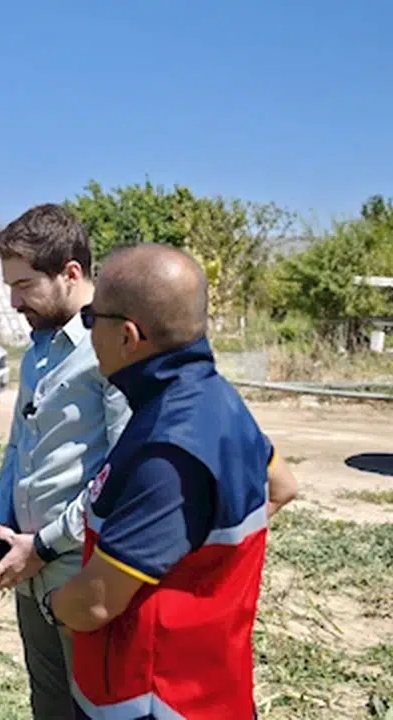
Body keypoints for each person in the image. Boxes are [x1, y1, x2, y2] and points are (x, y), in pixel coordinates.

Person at [42, 243, 299, 719]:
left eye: (91, 318)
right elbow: (282, 486)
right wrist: (200, 566)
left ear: (127, 336)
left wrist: (52, 605)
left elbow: (95, 604)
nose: (88, 331)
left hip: (147, 699)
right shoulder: (216, 399)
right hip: (209, 685)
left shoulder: (166, 450)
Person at [0, 204, 131, 718]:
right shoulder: (38, 351)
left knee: (92, 706)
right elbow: (18, 446)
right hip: (29, 571)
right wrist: (3, 523)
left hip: (80, 573)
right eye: (10, 286)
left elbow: (120, 473)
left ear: (71, 273)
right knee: (48, 702)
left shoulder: (110, 348)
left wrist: (43, 545)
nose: (14, 301)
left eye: (24, 285)